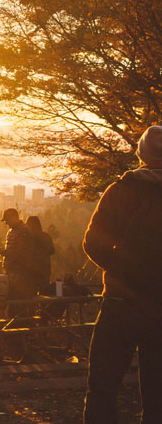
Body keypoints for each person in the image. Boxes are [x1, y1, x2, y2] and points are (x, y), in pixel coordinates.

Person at [82, 125, 162, 423]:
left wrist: (124, 273)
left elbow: (92, 242)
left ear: (141, 153)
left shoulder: (121, 190)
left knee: (102, 387)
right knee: (158, 393)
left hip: (121, 302)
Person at [0, 208, 38, 308]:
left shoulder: (23, 231)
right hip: (13, 275)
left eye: (7, 220)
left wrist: (2, 251)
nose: (6, 223)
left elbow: (18, 254)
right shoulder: (13, 230)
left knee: (17, 307)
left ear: (14, 218)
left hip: (20, 276)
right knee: (13, 306)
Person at [25, 216, 55, 294]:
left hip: (32, 272)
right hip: (44, 271)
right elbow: (52, 251)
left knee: (32, 295)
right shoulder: (46, 236)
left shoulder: (28, 237)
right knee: (45, 294)